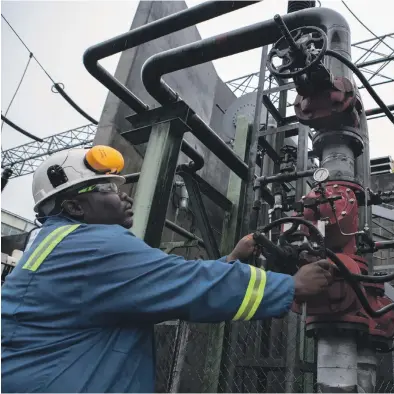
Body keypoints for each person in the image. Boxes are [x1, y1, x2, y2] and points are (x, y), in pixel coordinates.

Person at [1, 146, 335, 393]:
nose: (125, 196)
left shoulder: (57, 243)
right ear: (74, 206)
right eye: (109, 189)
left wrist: (230, 261)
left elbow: (163, 285)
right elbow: (186, 284)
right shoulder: (92, 247)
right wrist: (291, 286)